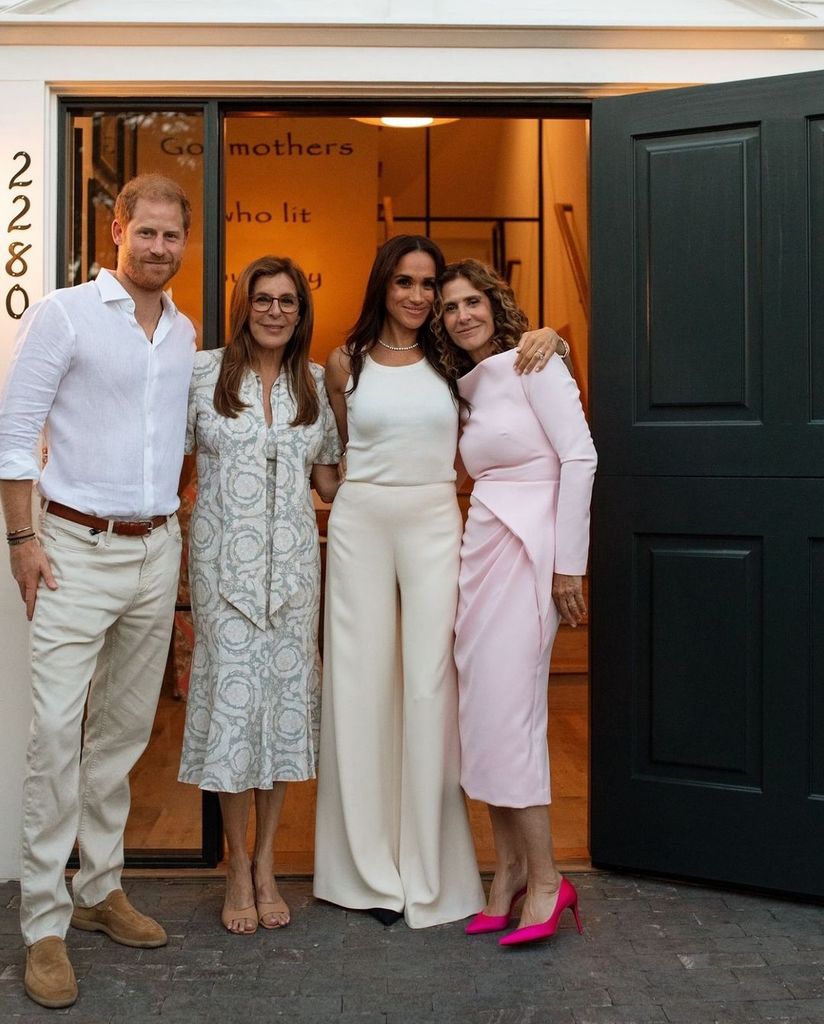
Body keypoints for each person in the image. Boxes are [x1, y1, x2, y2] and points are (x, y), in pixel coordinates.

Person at [313, 235, 565, 928]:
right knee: (358, 686)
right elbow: (332, 455)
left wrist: (553, 339)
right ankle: (362, 869)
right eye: (405, 283)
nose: (420, 297)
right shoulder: (344, 362)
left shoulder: (451, 359)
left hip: (434, 522)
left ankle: (431, 867)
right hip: (360, 521)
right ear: (382, 287)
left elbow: (515, 367)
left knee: (431, 685)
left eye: (429, 284)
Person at [0, 174, 195, 1008]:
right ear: (115, 229)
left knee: (119, 736)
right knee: (52, 733)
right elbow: (13, 434)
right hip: (73, 549)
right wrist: (22, 540)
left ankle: (98, 889)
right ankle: (43, 924)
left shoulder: (184, 332)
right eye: (144, 232)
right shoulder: (65, 313)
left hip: (156, 551)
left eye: (171, 236)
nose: (157, 248)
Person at [432, 259, 596, 946]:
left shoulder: (535, 362)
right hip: (483, 546)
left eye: (473, 301)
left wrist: (569, 568)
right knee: (484, 718)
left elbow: (581, 458)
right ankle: (505, 875)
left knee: (515, 715)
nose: (463, 314)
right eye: (450, 307)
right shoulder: (464, 385)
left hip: (532, 551)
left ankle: (550, 880)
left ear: (496, 305)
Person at [178, 256, 341, 935]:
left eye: (288, 302)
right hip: (224, 579)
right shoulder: (201, 374)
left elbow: (331, 482)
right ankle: (236, 864)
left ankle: (268, 861)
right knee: (231, 718)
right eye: (264, 299)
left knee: (278, 719)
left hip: (296, 578)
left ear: (302, 312)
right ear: (243, 305)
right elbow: (171, 467)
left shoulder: (317, 385)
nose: (276, 311)